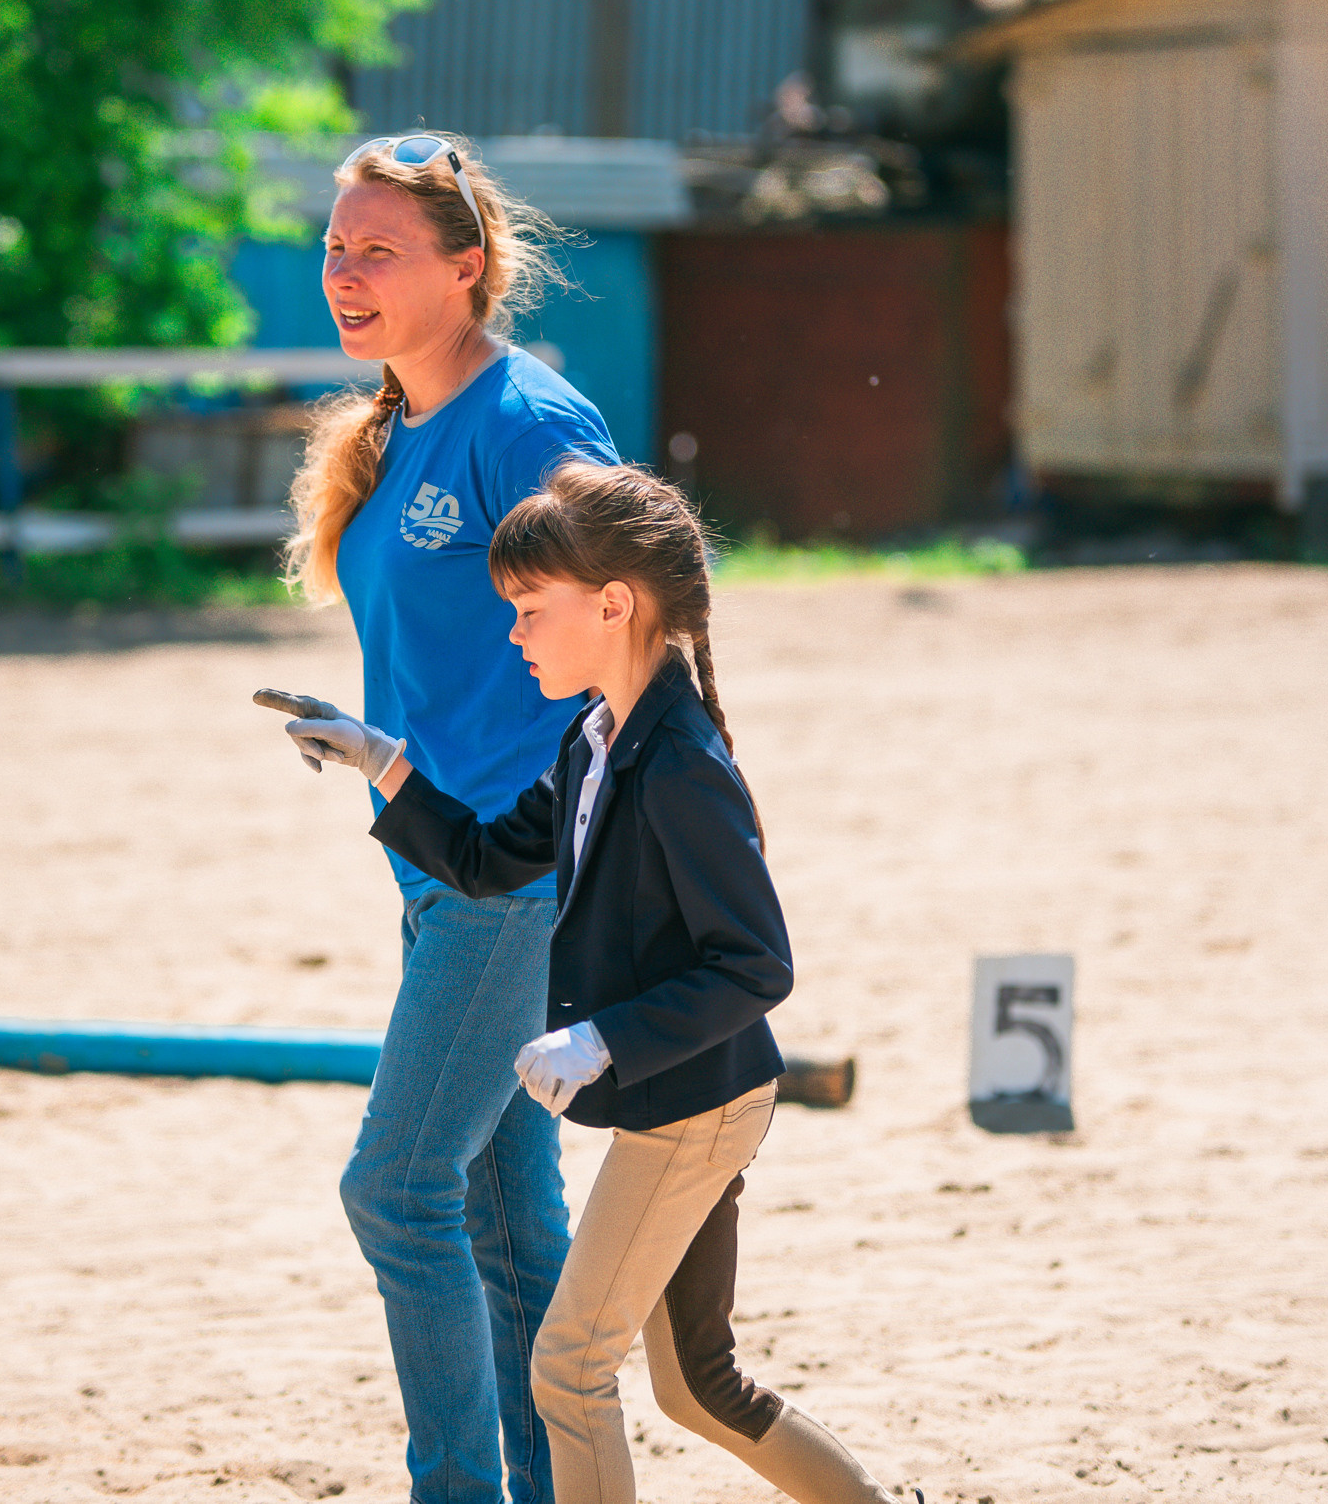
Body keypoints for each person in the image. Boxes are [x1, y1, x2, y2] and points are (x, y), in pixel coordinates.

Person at [259, 463, 908, 1504]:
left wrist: (602, 1039)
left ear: (613, 605)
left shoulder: (683, 765)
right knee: (699, 1388)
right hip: (682, 1095)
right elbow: (482, 860)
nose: (513, 634)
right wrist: (382, 759)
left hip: (696, 1106)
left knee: (567, 1365)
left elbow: (757, 963)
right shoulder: (592, 735)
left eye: (527, 609)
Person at [272, 132, 618, 1504]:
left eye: (380, 251)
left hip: (508, 876)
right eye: (336, 249)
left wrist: (529, 844)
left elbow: (614, 632)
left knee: (396, 1189)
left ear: (466, 268)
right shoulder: (400, 419)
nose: (346, 273)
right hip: (436, 867)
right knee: (498, 1221)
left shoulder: (528, 424)